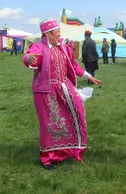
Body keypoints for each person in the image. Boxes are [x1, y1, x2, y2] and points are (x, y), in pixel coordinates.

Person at [23, 19, 103, 170]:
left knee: (75, 115)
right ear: (47, 33)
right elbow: (29, 56)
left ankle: (64, 152)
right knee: (49, 124)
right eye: (56, 31)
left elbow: (73, 66)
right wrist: (28, 58)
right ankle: (47, 157)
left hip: (65, 88)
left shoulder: (64, 48)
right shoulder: (39, 47)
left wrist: (89, 76)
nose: (59, 33)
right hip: (46, 91)